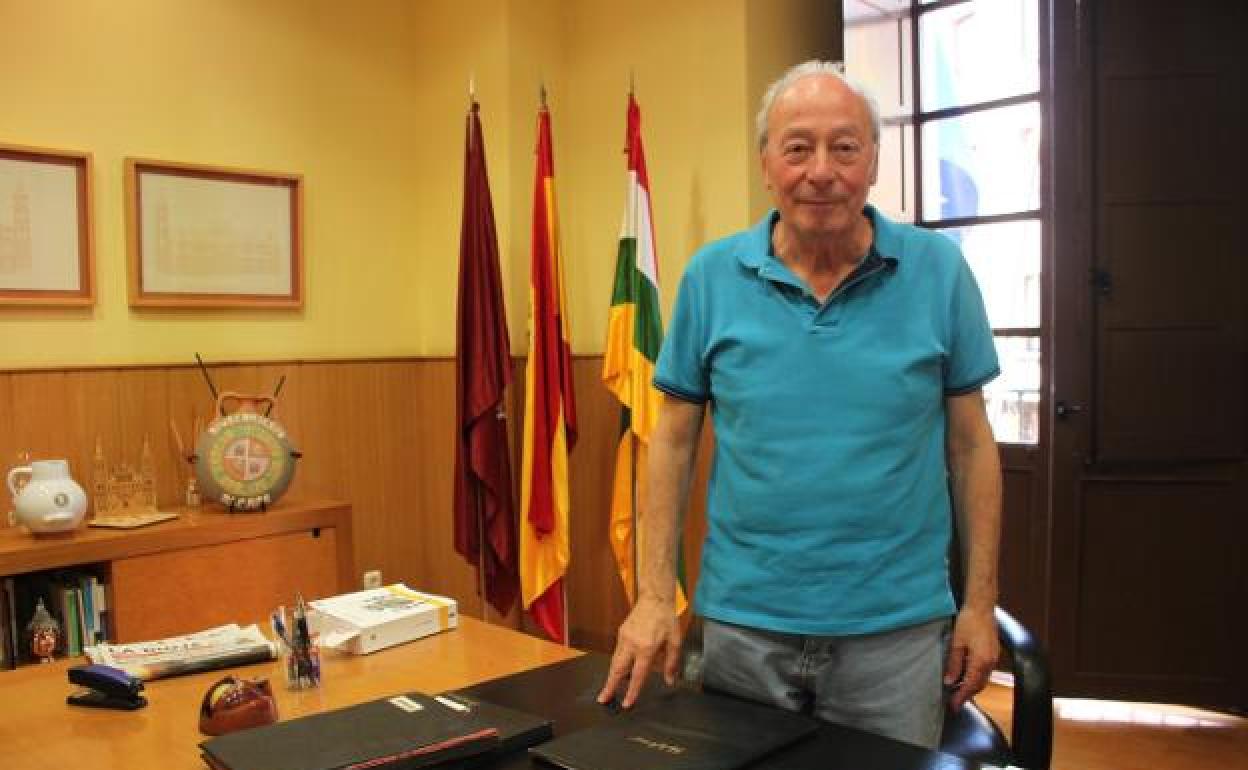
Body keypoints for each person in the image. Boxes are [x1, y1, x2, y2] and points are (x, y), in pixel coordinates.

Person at [596, 60, 1002, 750]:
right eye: (797, 148)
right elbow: (671, 442)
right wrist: (656, 595)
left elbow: (971, 445)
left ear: (873, 161)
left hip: (896, 635)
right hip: (744, 628)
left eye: (844, 147)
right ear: (766, 164)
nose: (821, 171)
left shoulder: (940, 272)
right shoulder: (710, 278)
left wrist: (980, 604)